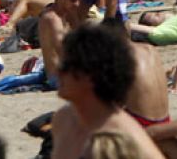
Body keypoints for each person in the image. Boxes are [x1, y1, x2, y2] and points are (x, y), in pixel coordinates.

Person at [50, 24, 164, 159]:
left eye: (65, 66)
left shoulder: (123, 135)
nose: (57, 71)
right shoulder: (63, 119)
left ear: (90, 75)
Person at [37, 0, 84, 89]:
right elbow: (63, 52)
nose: (77, 4)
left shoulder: (65, 13)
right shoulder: (52, 18)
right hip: (58, 78)